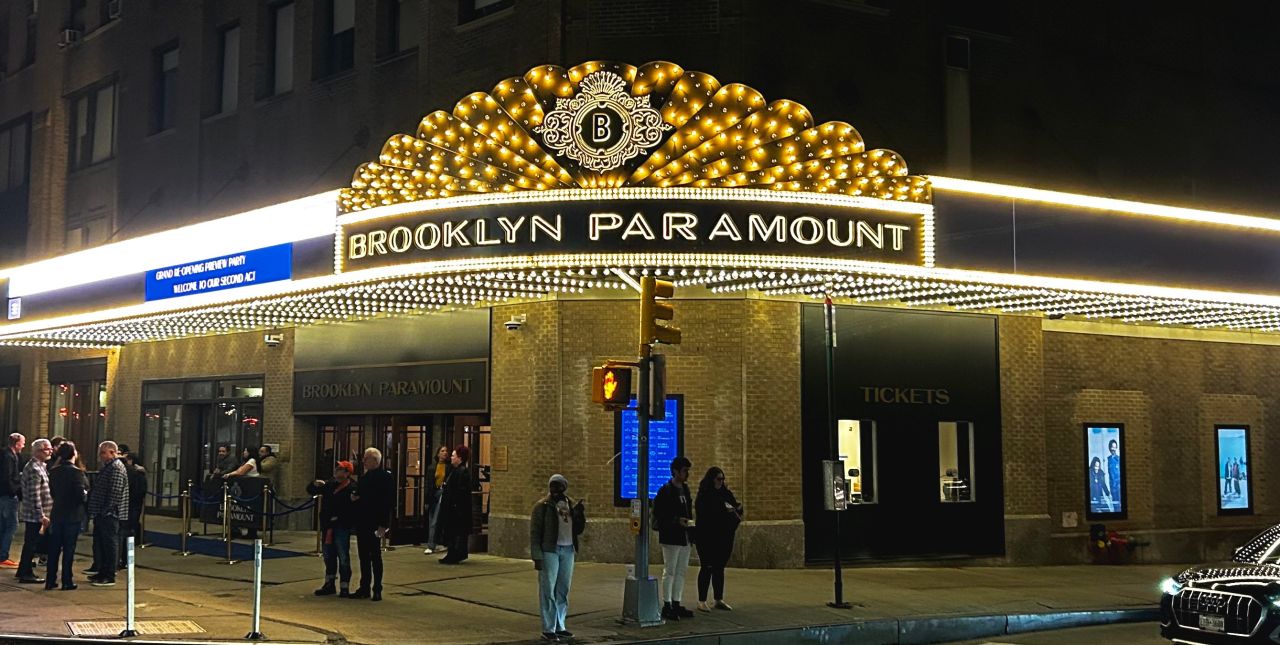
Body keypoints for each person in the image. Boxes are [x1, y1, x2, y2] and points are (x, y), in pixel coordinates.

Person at [529, 474, 586, 642]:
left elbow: (578, 529)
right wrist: (537, 556)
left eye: (558, 486)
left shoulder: (570, 504)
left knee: (563, 589)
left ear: (564, 488)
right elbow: (535, 533)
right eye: (552, 486)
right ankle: (548, 628)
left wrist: (580, 515)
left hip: (568, 550)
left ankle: (560, 625)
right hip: (550, 551)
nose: (554, 490)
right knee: (548, 589)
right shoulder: (542, 506)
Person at [694, 466, 741, 612]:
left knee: (719, 568)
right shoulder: (704, 495)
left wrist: (737, 508)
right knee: (707, 567)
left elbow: (735, 505)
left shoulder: (725, 493)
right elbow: (704, 514)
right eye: (718, 479)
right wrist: (723, 510)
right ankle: (702, 600)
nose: (721, 482)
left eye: (722, 479)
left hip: (724, 536)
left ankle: (718, 598)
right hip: (707, 537)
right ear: (712, 479)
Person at [654, 456, 695, 620]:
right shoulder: (665, 490)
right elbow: (660, 515)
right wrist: (677, 521)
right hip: (671, 537)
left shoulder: (685, 489)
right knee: (669, 570)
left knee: (681, 571)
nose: (687, 474)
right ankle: (667, 604)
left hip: (685, 536)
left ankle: (677, 602)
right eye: (685, 471)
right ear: (675, 471)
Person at [309, 460, 357, 597]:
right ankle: (329, 583)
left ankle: (344, 586)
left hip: (342, 526)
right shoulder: (329, 484)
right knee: (328, 556)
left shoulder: (351, 487)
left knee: (343, 556)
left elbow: (352, 509)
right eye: (336, 468)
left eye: (340, 469)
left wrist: (339, 518)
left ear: (347, 473)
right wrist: (314, 484)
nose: (336, 470)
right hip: (327, 526)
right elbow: (311, 490)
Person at [351, 447, 393, 601]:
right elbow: (361, 496)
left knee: (375, 555)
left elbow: (387, 502)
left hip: (375, 522)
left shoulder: (385, 478)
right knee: (363, 556)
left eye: (367, 458)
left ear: (375, 460)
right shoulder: (365, 477)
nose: (364, 461)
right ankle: (364, 586)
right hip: (363, 521)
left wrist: (383, 524)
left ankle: (377, 588)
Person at [46, 442, 88, 590]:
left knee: (54, 548)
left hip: (57, 513)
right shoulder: (76, 472)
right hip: (72, 515)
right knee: (69, 549)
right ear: (73, 454)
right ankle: (67, 580)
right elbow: (79, 493)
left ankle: (50, 580)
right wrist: (85, 495)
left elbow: (52, 492)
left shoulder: (54, 471)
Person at [85, 441, 128, 586]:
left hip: (109, 514)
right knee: (102, 544)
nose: (101, 456)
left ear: (112, 452)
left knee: (109, 543)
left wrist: (107, 510)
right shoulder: (108, 467)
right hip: (101, 512)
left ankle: (109, 574)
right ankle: (102, 571)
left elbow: (115, 492)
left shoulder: (115, 468)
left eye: (103, 452)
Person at [16, 438, 53, 583]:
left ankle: (22, 570)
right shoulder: (34, 469)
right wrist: (41, 515)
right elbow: (34, 494)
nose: (50, 451)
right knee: (31, 543)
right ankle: (26, 573)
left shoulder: (41, 466)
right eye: (47, 449)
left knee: (31, 543)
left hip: (39, 513)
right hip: (35, 515)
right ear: (38, 451)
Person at [439, 445, 473, 565]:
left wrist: (454, 505)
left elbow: (460, 492)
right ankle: (451, 553)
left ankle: (454, 554)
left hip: (456, 510)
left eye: (453, 456)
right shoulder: (453, 470)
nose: (451, 458)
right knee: (452, 533)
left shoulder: (462, 472)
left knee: (456, 533)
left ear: (460, 458)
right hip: (452, 508)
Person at [117, 447, 147, 570]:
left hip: (132, 507)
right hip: (132, 507)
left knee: (127, 533)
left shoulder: (137, 474)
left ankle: (127, 559)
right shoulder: (136, 473)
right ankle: (126, 559)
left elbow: (140, 492)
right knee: (127, 534)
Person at [0, 432, 25, 569]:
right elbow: (7, 477)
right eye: (22, 443)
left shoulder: (6, 455)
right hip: (8, 496)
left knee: (4, 525)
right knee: (11, 525)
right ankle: (3, 555)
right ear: (16, 443)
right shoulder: (9, 457)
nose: (23, 445)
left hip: (4, 495)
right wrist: (15, 491)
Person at [423, 446, 451, 555]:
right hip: (433, 494)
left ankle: (440, 543)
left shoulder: (449, 467)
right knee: (432, 520)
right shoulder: (432, 467)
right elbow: (428, 484)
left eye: (446, 451)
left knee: (438, 520)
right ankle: (431, 544)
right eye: (442, 451)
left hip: (443, 493)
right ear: (438, 454)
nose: (445, 453)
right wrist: (426, 500)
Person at [1106, 440, 1121, 505]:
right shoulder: (1108, 459)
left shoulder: (1118, 459)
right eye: (1112, 447)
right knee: (1115, 504)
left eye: (1115, 447)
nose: (1113, 449)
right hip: (1112, 486)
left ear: (1116, 447)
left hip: (1118, 486)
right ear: (1109, 448)